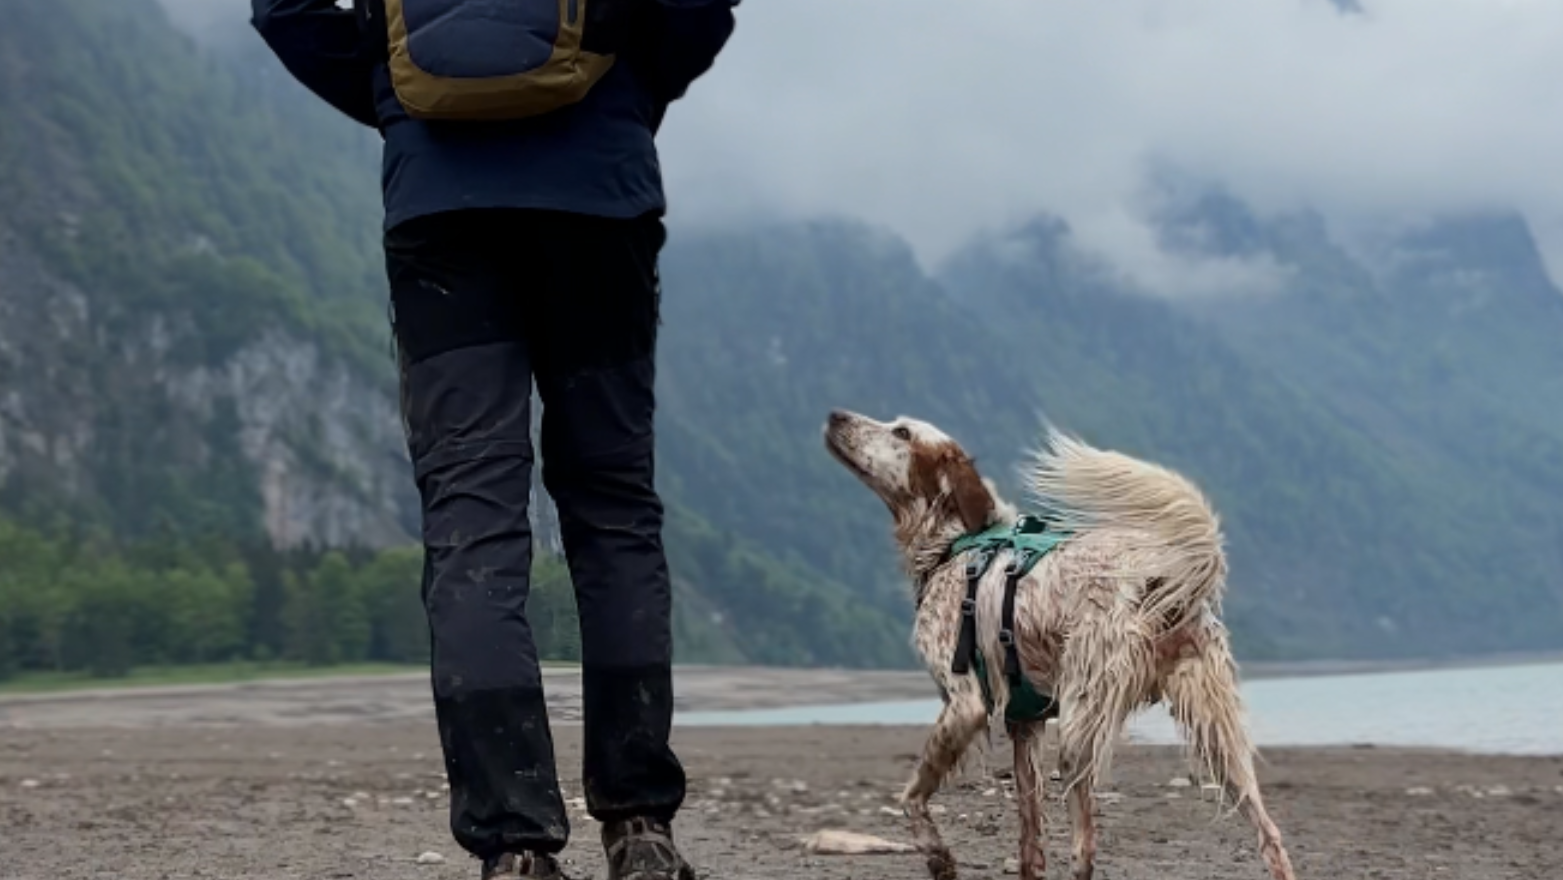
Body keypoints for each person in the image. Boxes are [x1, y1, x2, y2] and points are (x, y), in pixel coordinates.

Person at [250, 2, 739, 878]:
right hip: (598, 192)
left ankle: (513, 844)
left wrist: (403, 91)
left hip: (440, 202)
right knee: (612, 508)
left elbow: (282, 7)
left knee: (472, 515)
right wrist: (619, 79)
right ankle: (639, 827)